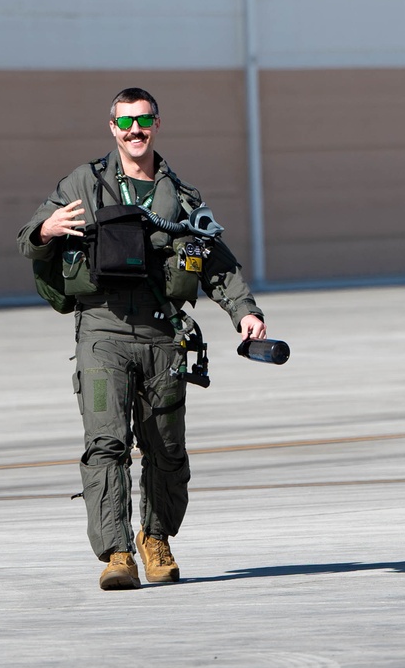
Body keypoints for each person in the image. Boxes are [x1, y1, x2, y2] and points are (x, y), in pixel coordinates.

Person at [17, 87, 266, 590]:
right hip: (103, 333)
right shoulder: (83, 183)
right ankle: (116, 553)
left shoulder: (183, 196)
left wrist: (245, 312)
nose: (135, 131)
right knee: (106, 444)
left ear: (156, 124)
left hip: (162, 337)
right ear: (113, 127)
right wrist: (45, 230)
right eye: (126, 122)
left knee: (165, 446)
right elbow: (27, 237)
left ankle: (156, 540)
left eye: (144, 121)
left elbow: (217, 261)